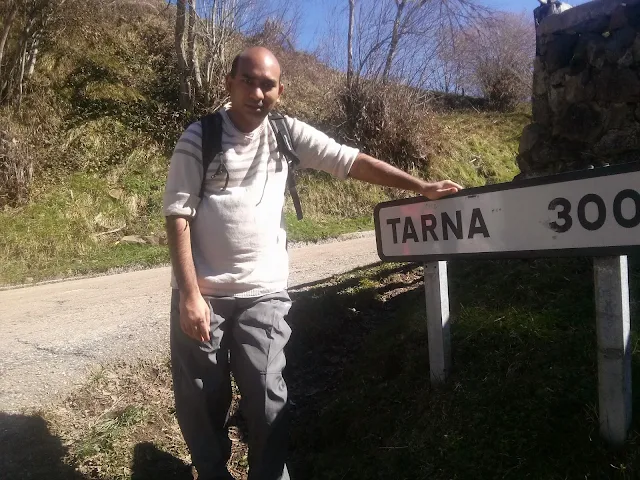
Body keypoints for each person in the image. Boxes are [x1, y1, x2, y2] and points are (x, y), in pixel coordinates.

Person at [163, 46, 462, 480]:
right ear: (230, 83)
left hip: (264, 293)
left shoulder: (286, 133)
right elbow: (178, 215)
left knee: (268, 399)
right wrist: (189, 295)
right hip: (203, 295)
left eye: (268, 85)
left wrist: (420, 186)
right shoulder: (200, 137)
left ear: (280, 91)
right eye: (248, 81)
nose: (257, 92)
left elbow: (351, 161)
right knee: (201, 401)